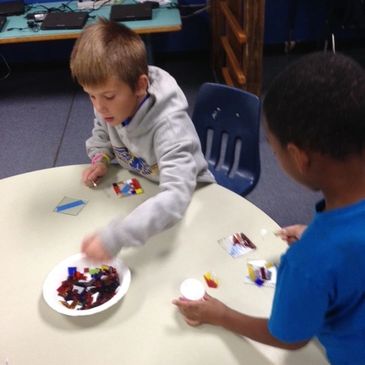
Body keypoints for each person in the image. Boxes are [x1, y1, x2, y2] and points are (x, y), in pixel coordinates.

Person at [173, 52, 365, 365]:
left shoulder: (308, 262)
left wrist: (220, 314)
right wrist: (314, 232)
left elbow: (289, 338)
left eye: (273, 149)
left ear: (299, 158)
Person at [70, 18, 215, 261]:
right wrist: (101, 158)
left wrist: (116, 237)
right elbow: (102, 134)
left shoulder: (169, 127)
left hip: (190, 197)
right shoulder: (109, 105)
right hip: (146, 188)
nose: (99, 107)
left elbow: (176, 197)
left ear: (140, 86)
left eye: (107, 96)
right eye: (91, 96)